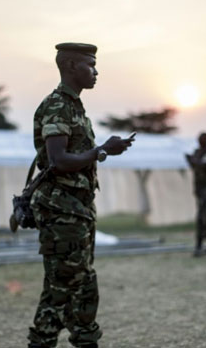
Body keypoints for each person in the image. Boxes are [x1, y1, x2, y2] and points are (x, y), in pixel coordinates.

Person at [27, 43, 133, 348]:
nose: (96, 71)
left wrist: (103, 150)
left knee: (81, 285)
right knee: (62, 289)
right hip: (61, 213)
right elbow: (58, 160)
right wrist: (102, 150)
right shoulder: (58, 105)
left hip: (76, 212)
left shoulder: (74, 107)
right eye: (91, 65)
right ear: (71, 66)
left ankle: (86, 340)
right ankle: (47, 340)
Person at [185, 132, 206, 256]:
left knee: (201, 217)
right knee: (205, 216)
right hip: (199, 188)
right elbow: (194, 167)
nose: (200, 141)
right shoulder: (197, 152)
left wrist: (194, 160)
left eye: (203, 139)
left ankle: (199, 245)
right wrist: (190, 159)